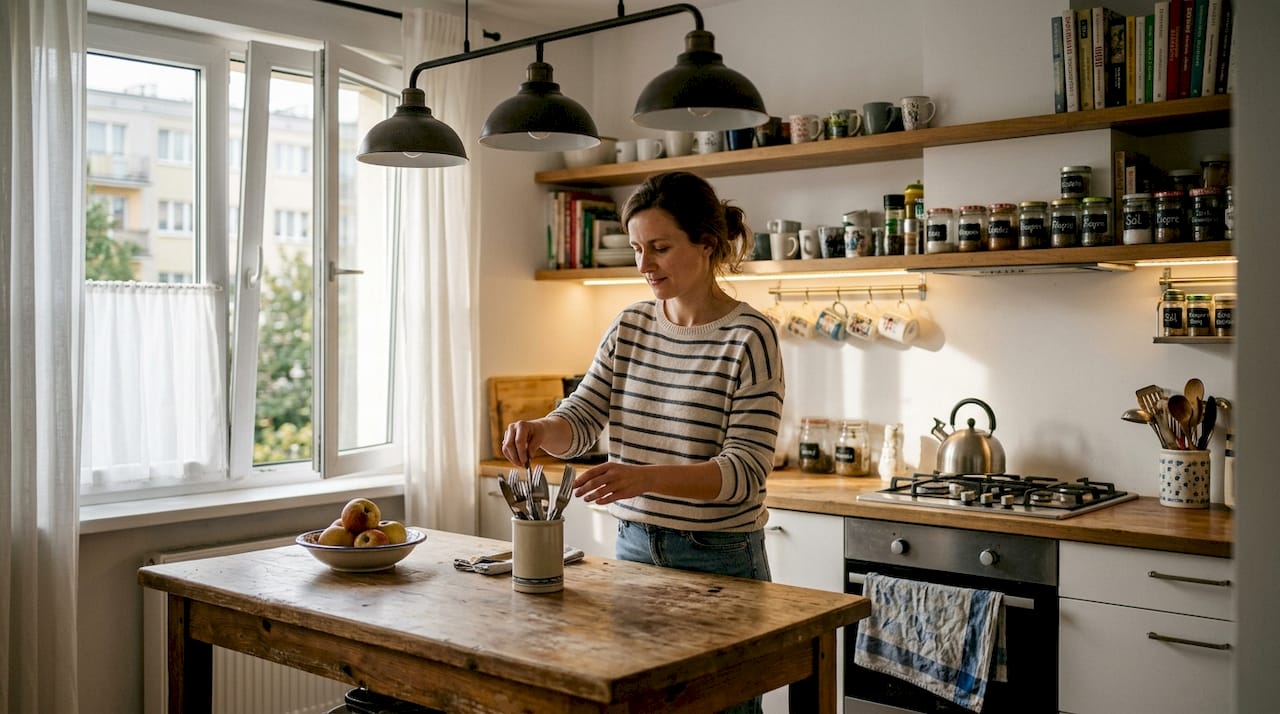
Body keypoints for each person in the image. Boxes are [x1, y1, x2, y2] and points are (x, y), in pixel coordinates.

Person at [502, 171, 784, 714]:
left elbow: (746, 473)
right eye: (636, 248)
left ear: (707, 243)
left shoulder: (751, 336)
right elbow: (583, 416)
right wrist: (541, 429)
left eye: (660, 247)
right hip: (633, 548)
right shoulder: (629, 324)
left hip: (719, 560)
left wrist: (643, 477)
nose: (644, 264)